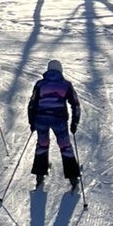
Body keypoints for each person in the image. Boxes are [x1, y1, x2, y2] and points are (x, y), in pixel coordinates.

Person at [27, 58, 81, 190]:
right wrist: (75, 122)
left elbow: (32, 104)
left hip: (41, 119)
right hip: (59, 120)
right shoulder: (66, 85)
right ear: (60, 70)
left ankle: (40, 175)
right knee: (65, 146)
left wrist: (32, 122)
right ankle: (73, 177)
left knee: (42, 145)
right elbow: (75, 104)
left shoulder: (40, 84)